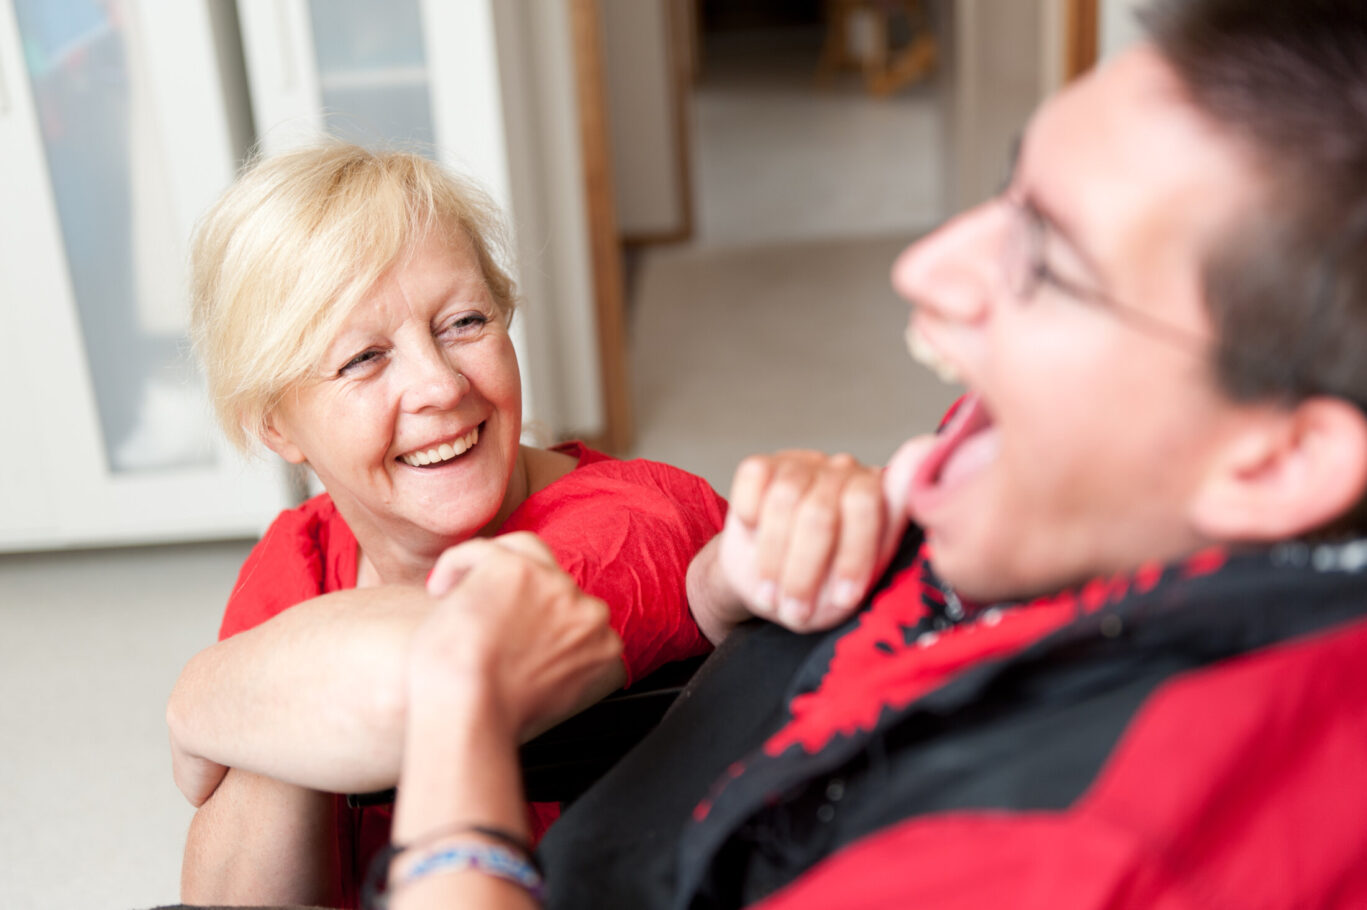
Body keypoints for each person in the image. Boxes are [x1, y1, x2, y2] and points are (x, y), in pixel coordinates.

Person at [304, 0, 1366, 907]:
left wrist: (461, 711)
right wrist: (741, 588)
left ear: (1276, 463)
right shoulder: (1082, 488)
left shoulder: (1072, 854)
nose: (923, 269)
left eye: (1048, 260)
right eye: (1007, 194)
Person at [164, 143, 730, 908]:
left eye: (464, 322)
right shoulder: (295, 559)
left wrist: (199, 695)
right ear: (277, 426)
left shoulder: (641, 520)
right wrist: (262, 713)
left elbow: (434, 668)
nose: (438, 384)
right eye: (364, 358)